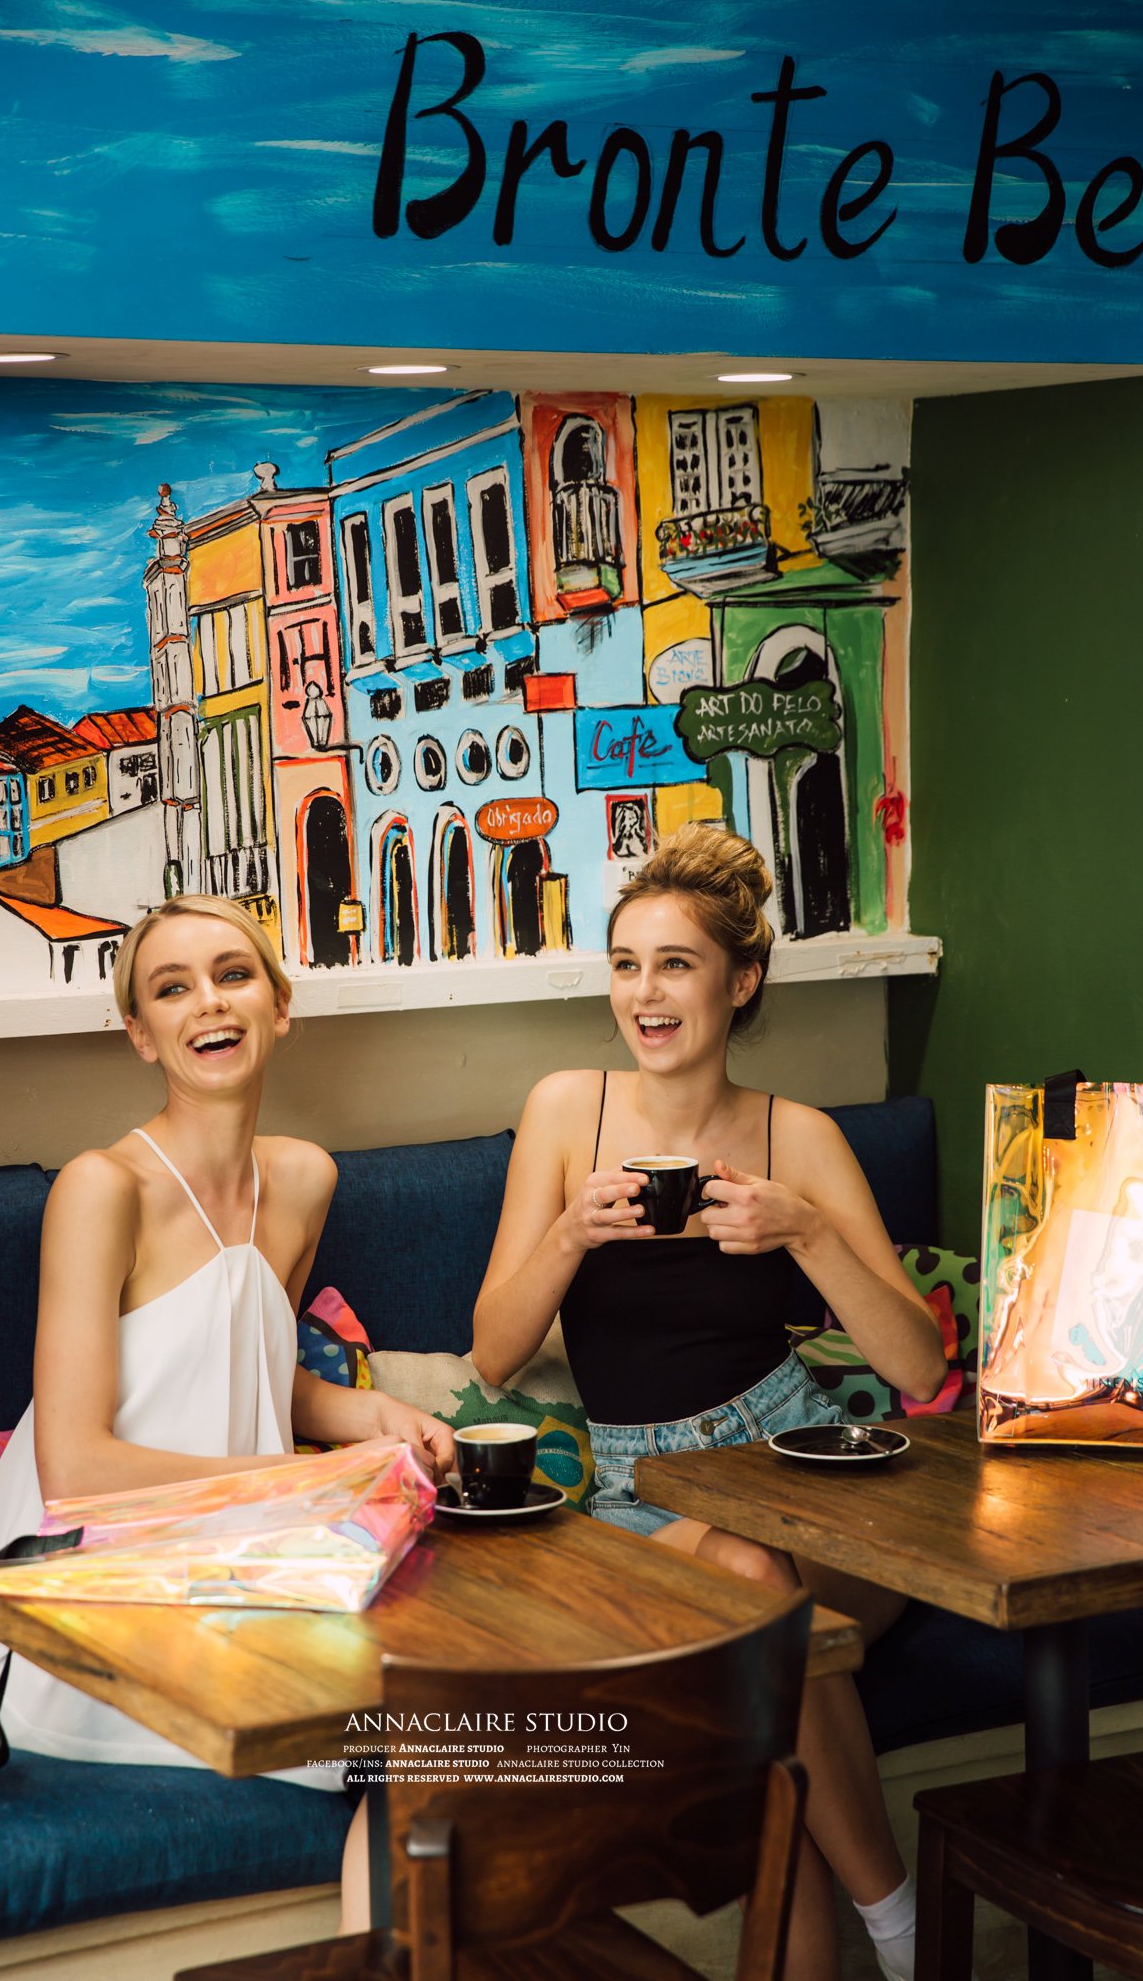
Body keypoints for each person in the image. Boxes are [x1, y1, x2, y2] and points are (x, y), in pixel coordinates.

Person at [473, 825, 948, 1981]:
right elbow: (495, 1352)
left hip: (807, 1459)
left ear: (739, 982)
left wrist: (809, 1231)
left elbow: (922, 1369)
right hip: (644, 1490)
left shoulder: (802, 1136)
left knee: (757, 1576)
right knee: (745, 1574)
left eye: (676, 963)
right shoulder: (563, 1109)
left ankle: (886, 1930)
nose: (644, 991)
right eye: (626, 962)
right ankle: (905, 1924)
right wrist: (570, 1232)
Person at [0, 892, 453, 1928]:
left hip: (240, 1550)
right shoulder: (103, 1188)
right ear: (140, 1033)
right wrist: (300, 1486)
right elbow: (77, 1471)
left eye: (233, 974)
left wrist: (365, 1417)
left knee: (467, 1696)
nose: (207, 1003)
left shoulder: (304, 1177)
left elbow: (243, 1363)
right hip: (87, 1587)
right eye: (170, 987)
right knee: (423, 1726)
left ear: (281, 1003)